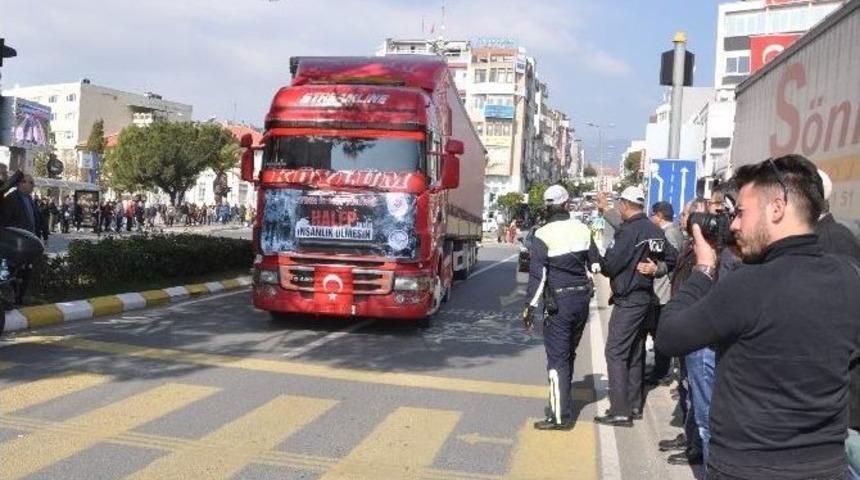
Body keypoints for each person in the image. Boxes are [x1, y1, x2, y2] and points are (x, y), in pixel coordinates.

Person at [657, 154, 860, 479]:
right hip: (826, 468)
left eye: (740, 213)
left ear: (777, 208)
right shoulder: (849, 278)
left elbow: (669, 335)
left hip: (748, 469)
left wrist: (704, 268)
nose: (733, 224)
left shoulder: (746, 286)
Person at [591, 186, 677, 427]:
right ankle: (634, 405)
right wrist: (657, 269)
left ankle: (619, 410)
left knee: (616, 352)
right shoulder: (654, 230)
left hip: (629, 301)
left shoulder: (628, 232)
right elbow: (672, 258)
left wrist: (596, 259)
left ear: (626, 205)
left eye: (620, 204)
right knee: (635, 352)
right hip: (646, 300)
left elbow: (610, 265)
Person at [522, 184, 596, 430]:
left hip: (559, 305)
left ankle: (559, 416)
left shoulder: (543, 234)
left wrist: (529, 308)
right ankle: (565, 405)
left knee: (557, 360)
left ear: (547, 206)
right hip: (582, 302)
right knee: (568, 355)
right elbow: (596, 264)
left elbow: (538, 276)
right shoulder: (584, 229)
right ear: (567, 204)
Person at [639, 201, 685, 386]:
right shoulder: (671, 231)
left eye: (652, 215)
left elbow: (671, 262)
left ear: (658, 216)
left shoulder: (669, 233)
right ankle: (660, 369)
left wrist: (655, 268)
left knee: (659, 334)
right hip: (662, 291)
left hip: (664, 292)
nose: (651, 219)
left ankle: (662, 372)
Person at [1, 174, 41, 304]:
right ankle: (11, 299)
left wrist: (43, 235)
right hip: (15, 244)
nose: (33, 186)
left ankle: (20, 298)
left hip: (28, 243)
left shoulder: (29, 199)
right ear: (21, 183)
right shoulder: (11, 199)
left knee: (26, 272)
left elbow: (37, 218)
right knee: (13, 273)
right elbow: (5, 221)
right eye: (31, 182)